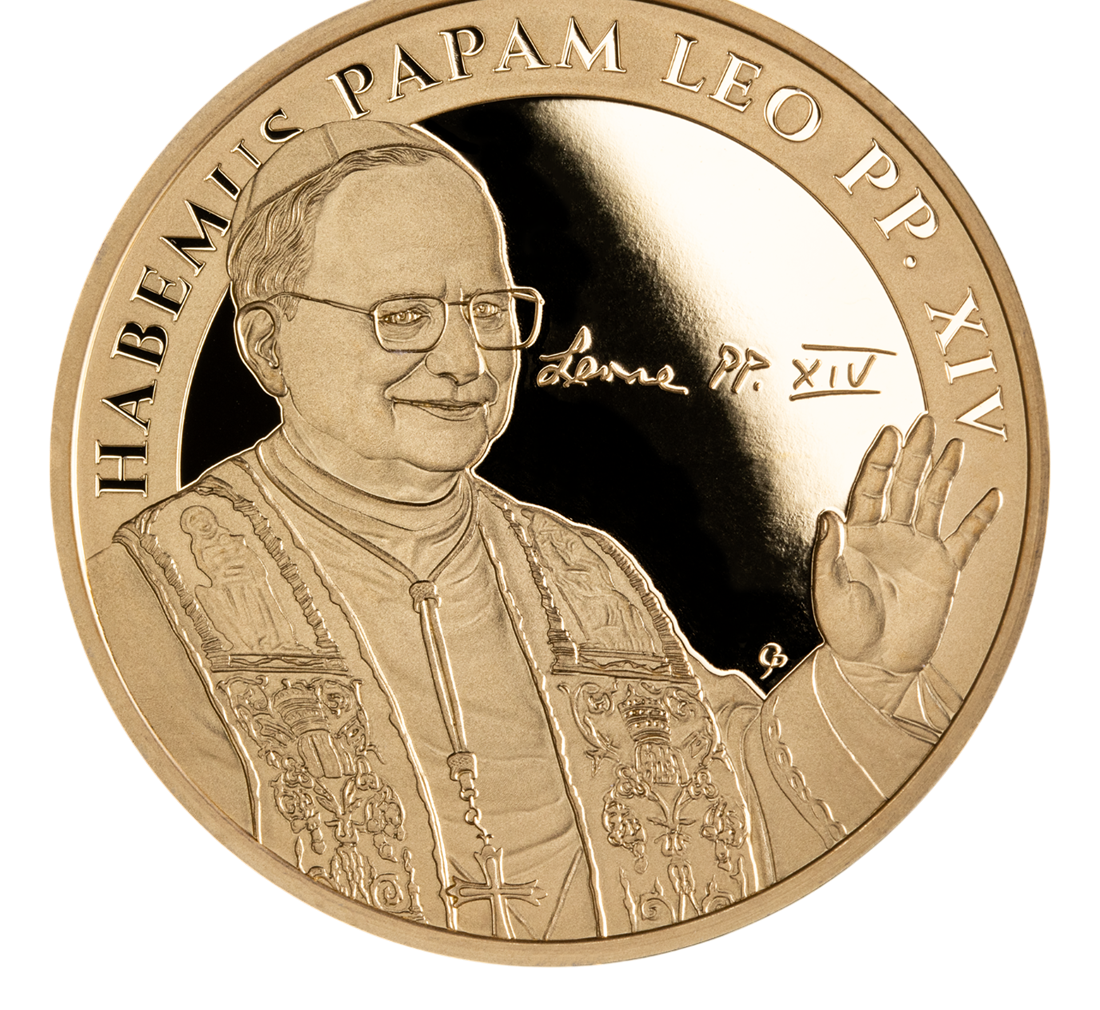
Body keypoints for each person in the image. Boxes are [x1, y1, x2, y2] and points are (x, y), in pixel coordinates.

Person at [87, 119, 1001, 941]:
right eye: (404, 317)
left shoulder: (582, 571)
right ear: (267, 347)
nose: (466, 361)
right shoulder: (152, 591)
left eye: (489, 312)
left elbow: (742, 817)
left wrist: (866, 674)